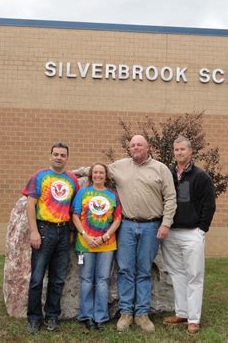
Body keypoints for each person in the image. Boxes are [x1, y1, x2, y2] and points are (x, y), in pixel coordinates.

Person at [75, 135, 177, 333]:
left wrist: (166, 224)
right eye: (132, 145)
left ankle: (142, 314)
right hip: (127, 226)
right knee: (125, 270)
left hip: (151, 226)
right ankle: (126, 313)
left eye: (139, 144)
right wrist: (72, 172)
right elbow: (96, 170)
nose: (135, 147)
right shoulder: (120, 166)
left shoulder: (160, 169)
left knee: (144, 270)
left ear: (147, 147)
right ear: (129, 149)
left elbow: (171, 198)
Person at [23, 142, 80, 335]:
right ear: (50, 156)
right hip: (44, 229)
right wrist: (33, 231)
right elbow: (30, 205)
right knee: (37, 278)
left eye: (62, 155)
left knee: (58, 279)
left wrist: (72, 233)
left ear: (67, 158)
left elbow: (74, 209)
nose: (59, 157)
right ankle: (33, 318)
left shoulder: (73, 179)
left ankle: (52, 316)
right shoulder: (39, 176)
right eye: (55, 154)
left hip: (63, 232)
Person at [161, 136, 216, 335]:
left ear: (190, 151)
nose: (179, 153)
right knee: (177, 274)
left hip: (192, 233)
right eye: (176, 150)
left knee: (195, 276)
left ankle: (194, 319)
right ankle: (182, 313)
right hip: (171, 233)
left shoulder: (201, 177)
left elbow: (209, 205)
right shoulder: (167, 173)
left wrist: (201, 229)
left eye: (182, 149)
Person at [72, 163, 122, 330]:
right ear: (91, 175)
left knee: (102, 280)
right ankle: (86, 315)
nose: (98, 175)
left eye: (101, 172)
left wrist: (104, 236)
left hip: (106, 244)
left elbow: (117, 219)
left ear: (105, 175)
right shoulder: (82, 193)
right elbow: (75, 215)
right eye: (95, 172)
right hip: (85, 243)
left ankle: (100, 316)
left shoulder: (112, 195)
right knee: (86, 280)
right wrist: (85, 235)